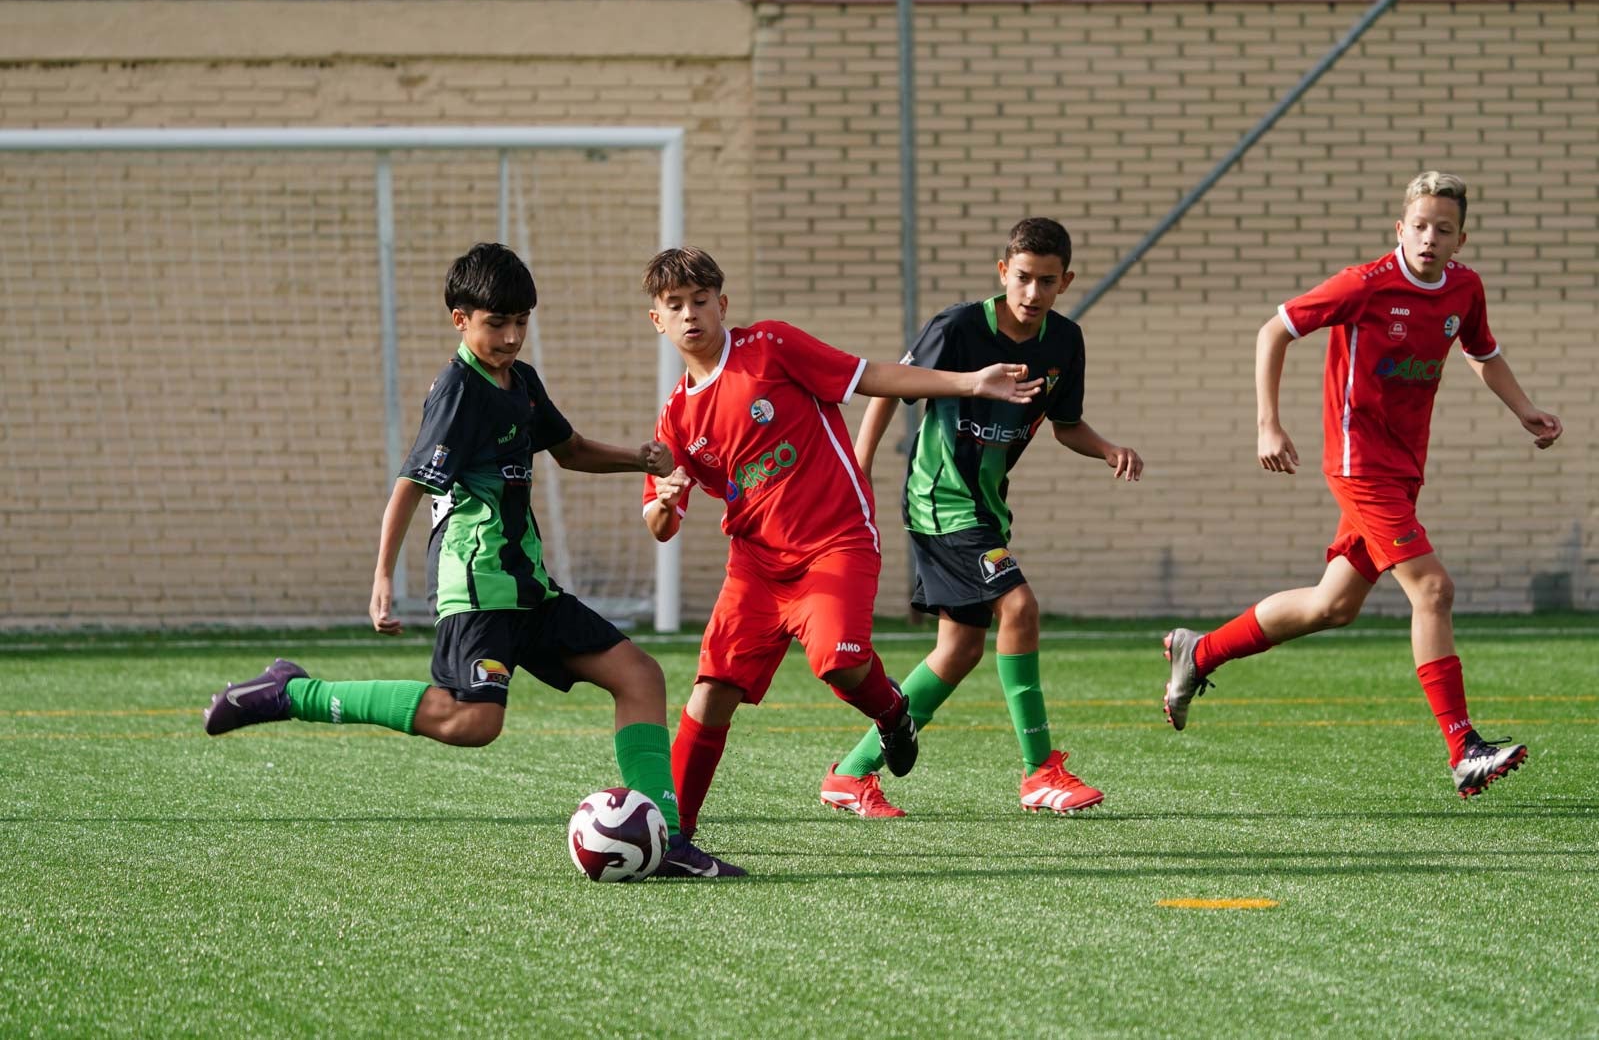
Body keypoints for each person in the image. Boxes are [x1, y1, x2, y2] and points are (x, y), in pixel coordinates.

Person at [203, 242, 743, 878]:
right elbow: (411, 483)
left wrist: (639, 458)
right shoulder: (460, 389)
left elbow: (567, 450)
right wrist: (383, 578)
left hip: (528, 587)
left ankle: (667, 839)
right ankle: (294, 692)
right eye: (496, 324)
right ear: (461, 319)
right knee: (472, 721)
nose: (511, 336)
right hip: (478, 583)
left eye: (520, 322)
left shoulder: (523, 382)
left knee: (639, 675)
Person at [1162, 171, 1563, 799]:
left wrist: (1525, 410)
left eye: (1444, 229)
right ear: (1400, 228)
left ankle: (1199, 651)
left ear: (1461, 238)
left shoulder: (1464, 288)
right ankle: (1463, 748)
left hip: (1403, 471)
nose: (1430, 238)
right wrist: (1268, 424)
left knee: (1334, 605)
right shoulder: (1365, 285)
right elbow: (1274, 331)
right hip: (1358, 464)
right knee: (1433, 589)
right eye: (1420, 226)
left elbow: (1481, 353)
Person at [640, 245, 1043, 853]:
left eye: (701, 301)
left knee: (840, 661)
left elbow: (869, 375)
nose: (690, 314)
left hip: (836, 541)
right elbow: (658, 522)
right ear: (659, 320)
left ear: (722, 304)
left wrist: (971, 382)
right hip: (755, 566)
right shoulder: (676, 416)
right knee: (711, 690)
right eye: (676, 306)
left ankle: (891, 714)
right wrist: (664, 507)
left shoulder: (770, 346)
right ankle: (673, 836)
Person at [822, 216, 1142, 819]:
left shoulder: (1064, 342)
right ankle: (1040, 772)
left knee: (960, 649)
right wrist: (859, 467)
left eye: (1047, 281)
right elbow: (890, 387)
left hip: (985, 509)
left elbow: (1066, 424)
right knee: (1019, 606)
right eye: (1022, 278)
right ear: (1003, 272)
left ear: (1065, 281)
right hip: (940, 500)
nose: (1032, 293)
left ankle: (851, 772)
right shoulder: (959, 327)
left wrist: (1107, 449)